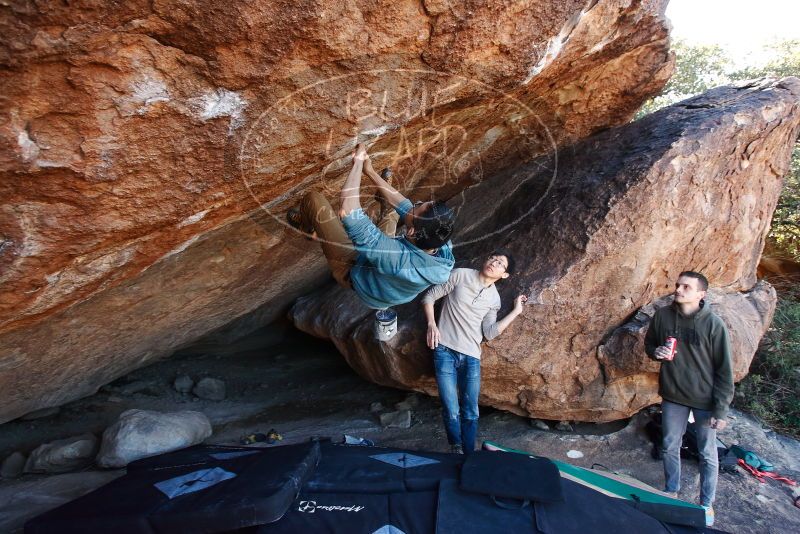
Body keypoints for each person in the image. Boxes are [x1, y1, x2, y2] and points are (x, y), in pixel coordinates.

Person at [287, 143, 456, 310]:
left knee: (313, 199)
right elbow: (406, 207)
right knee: (396, 210)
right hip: (386, 270)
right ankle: (383, 199)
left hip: (354, 270)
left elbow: (348, 212)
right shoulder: (439, 243)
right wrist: (370, 171)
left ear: (411, 231)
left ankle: (307, 229)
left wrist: (358, 163)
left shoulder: (395, 258)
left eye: (418, 206)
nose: (416, 203)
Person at [644, 271, 734, 527]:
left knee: (707, 452)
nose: (679, 289)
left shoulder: (713, 324)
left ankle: (706, 503)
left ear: (701, 294)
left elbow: (724, 371)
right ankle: (671, 491)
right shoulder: (662, 316)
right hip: (673, 394)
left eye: (686, 287)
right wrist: (657, 352)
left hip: (705, 399)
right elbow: (650, 345)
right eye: (678, 285)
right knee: (670, 445)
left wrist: (721, 410)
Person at [422, 250, 527, 455]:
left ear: (504, 275)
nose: (493, 263)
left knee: (470, 411)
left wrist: (516, 312)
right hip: (444, 350)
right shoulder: (460, 274)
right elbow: (429, 296)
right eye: (492, 258)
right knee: (451, 408)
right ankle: (456, 448)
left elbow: (488, 333)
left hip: (471, 356)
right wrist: (432, 325)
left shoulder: (494, 299)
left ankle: (469, 455)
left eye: (500, 264)